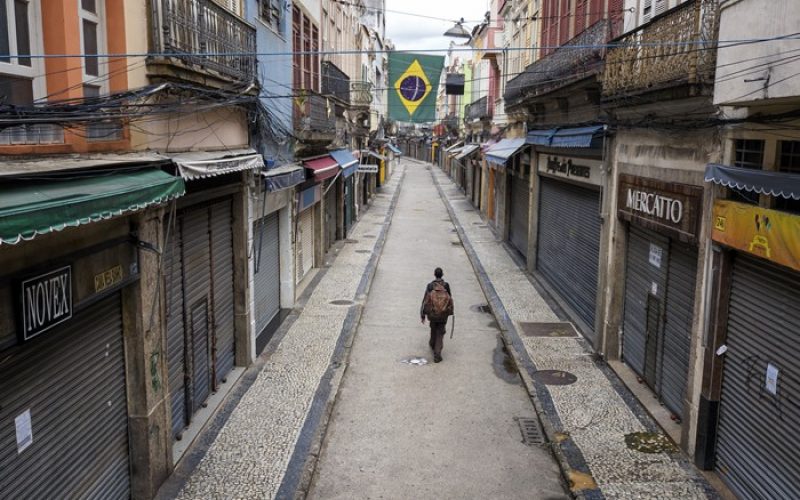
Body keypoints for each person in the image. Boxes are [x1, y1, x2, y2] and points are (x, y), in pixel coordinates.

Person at [420, 267, 452, 363]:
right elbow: (450, 298)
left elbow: (425, 300)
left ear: (434, 274)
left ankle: (432, 344)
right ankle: (437, 353)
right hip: (443, 314)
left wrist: (422, 314)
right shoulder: (446, 285)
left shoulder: (430, 286)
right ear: (442, 275)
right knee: (440, 332)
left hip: (432, 314)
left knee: (433, 328)